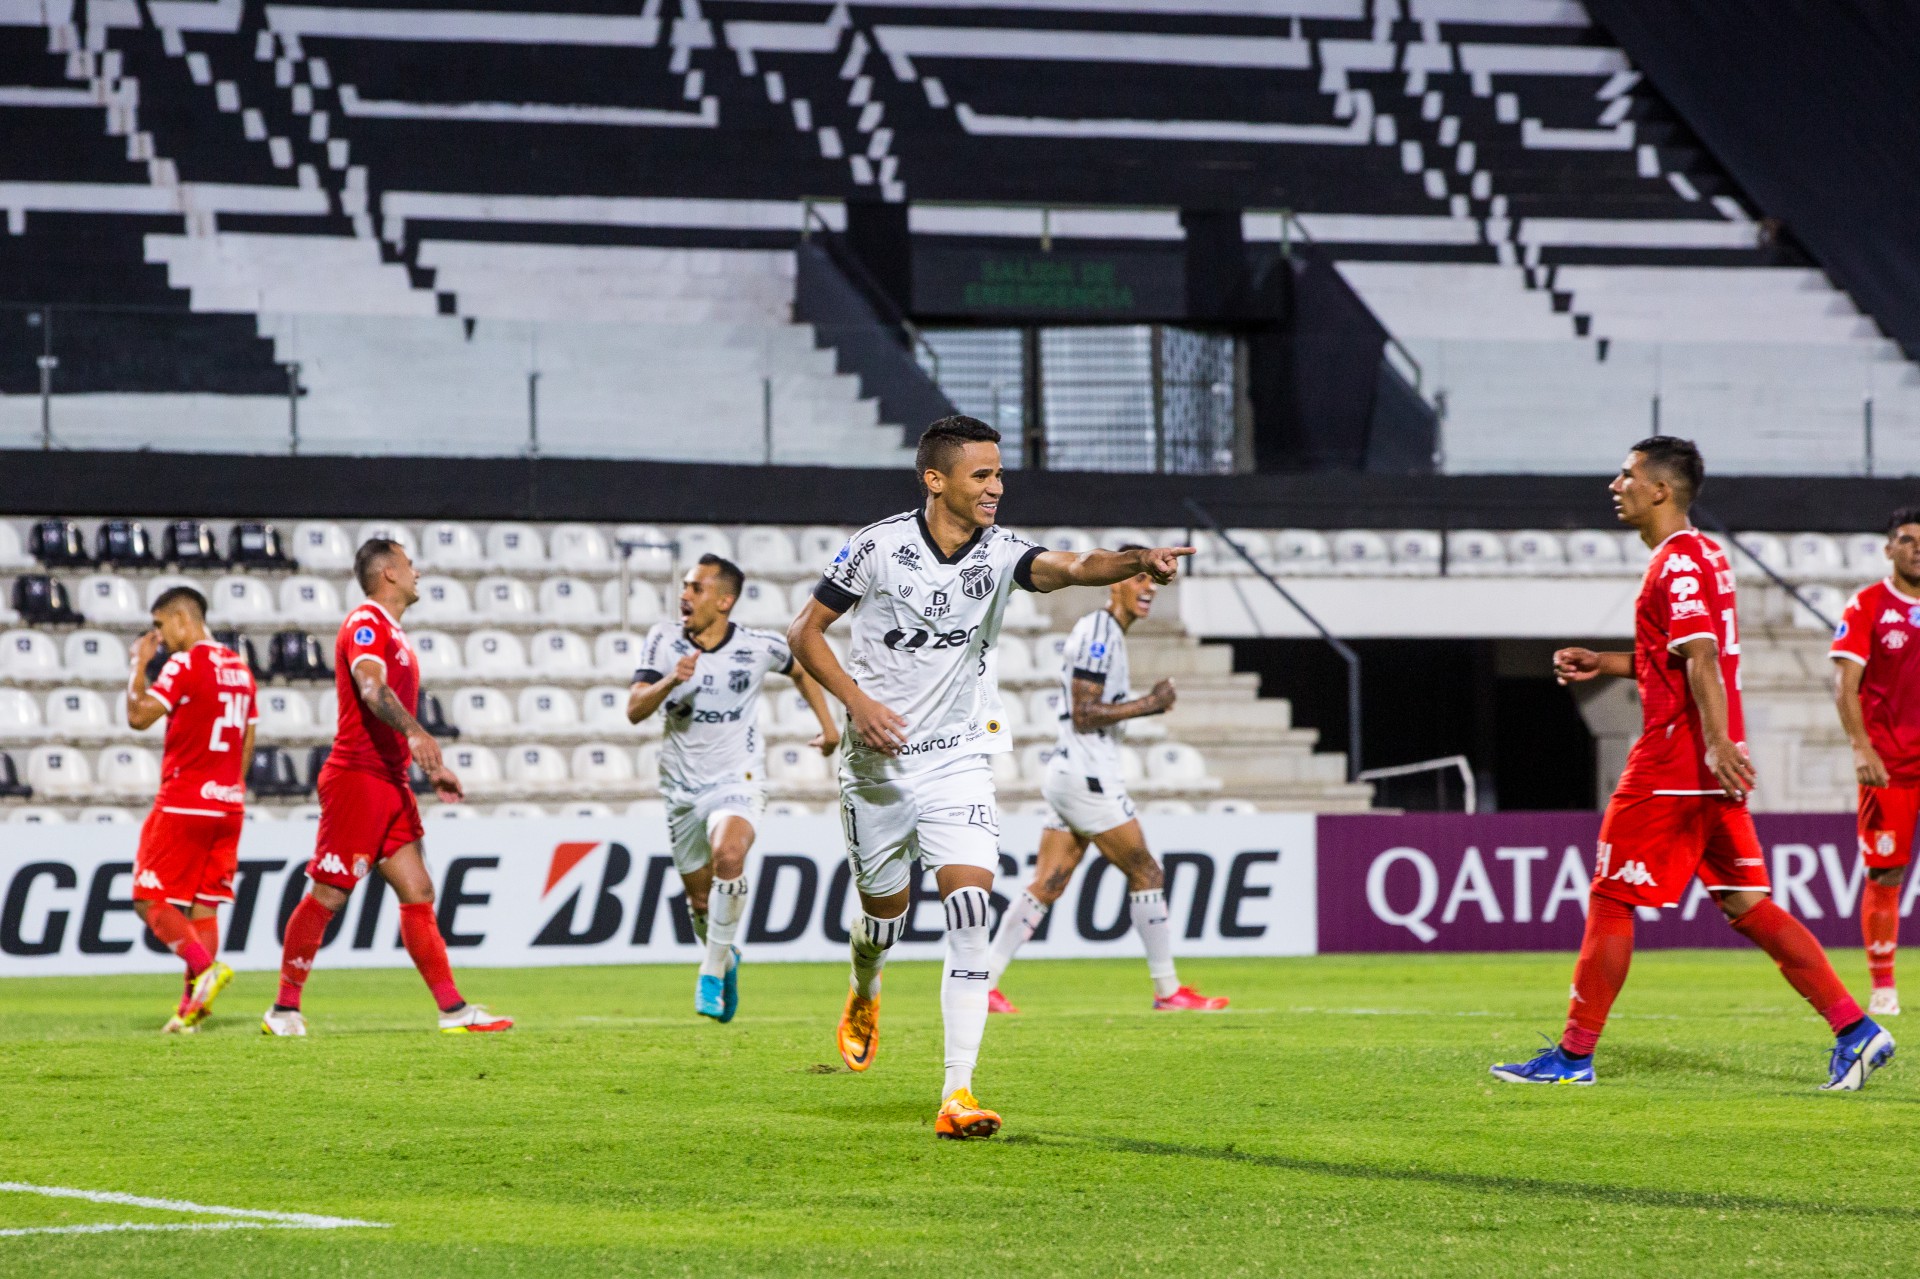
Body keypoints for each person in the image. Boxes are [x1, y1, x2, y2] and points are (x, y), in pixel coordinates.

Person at [787, 414, 1193, 1139]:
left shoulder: (1003, 553)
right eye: (981, 475)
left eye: (999, 474)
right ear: (935, 479)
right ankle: (864, 983)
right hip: (877, 765)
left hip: (956, 758)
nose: (996, 487)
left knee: (972, 913)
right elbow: (803, 633)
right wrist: (857, 702)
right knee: (883, 919)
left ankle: (958, 1091)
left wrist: (1136, 559)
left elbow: (1073, 565)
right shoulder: (876, 548)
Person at [1492, 436, 1892, 1090]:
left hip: (1677, 760)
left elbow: (1703, 654)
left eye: (1626, 474)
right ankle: (1856, 1028)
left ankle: (1572, 1057)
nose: (1614, 484)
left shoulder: (1676, 563)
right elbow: (1678, 657)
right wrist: (1612, 662)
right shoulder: (1707, 553)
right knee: (1747, 903)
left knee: (1612, 896)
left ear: (1660, 490)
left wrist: (1712, 740)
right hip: (1708, 764)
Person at [263, 539, 512, 1037]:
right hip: (357, 778)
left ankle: (454, 1010)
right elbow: (371, 690)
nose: (417, 572)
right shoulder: (366, 623)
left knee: (418, 890)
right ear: (389, 573)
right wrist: (417, 731)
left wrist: (428, 766)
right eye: (410, 563)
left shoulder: (393, 633)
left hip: (389, 782)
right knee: (329, 895)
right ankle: (284, 1010)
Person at [983, 551, 1226, 1014]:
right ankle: (1167, 990)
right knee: (1146, 871)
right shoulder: (1098, 633)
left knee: (1048, 882)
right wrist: (1149, 705)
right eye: (1138, 578)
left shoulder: (1108, 633)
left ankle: (985, 982)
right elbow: (1085, 712)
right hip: (1086, 776)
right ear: (1115, 583)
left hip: (1070, 772)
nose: (1148, 587)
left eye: (1150, 580)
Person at [627, 553, 838, 1022]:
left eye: (696, 588)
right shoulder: (662, 640)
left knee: (730, 856)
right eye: (685, 586)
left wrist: (829, 727)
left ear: (724, 601)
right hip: (681, 788)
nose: (684, 595)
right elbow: (634, 709)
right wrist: (670, 681)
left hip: (736, 779)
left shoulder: (757, 646)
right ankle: (726, 957)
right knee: (700, 900)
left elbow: (801, 666)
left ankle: (709, 970)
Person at [125, 586, 254, 1034]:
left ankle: (204, 970)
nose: (158, 635)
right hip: (228, 804)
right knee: (205, 907)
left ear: (182, 618)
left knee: (149, 899)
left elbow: (139, 717)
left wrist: (138, 665)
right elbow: (247, 740)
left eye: (160, 625)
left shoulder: (183, 664)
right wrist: (230, 790)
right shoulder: (240, 669)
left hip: (184, 800)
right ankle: (190, 1011)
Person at [1830, 506, 1920, 1016]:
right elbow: (1845, 684)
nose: (1917, 548)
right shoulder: (1867, 604)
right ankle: (1883, 985)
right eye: (1906, 540)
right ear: (1889, 548)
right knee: (1887, 872)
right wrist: (1861, 747)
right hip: (1891, 764)